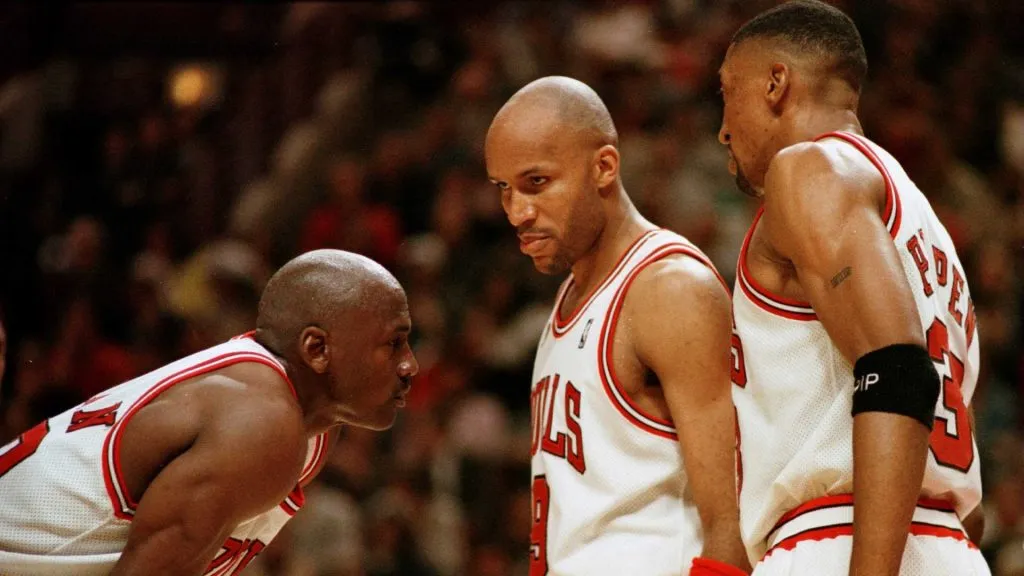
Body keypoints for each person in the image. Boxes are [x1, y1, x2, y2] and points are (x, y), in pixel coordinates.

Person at [717, 1, 989, 574]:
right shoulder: (926, 227)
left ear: (775, 83)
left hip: (842, 541)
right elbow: (960, 475)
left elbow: (897, 370)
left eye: (727, 93)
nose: (722, 128)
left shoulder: (806, 170)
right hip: (945, 543)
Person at [0, 249, 419, 576]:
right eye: (394, 343)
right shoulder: (261, 423)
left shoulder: (313, 421)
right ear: (317, 349)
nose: (410, 366)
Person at [485, 76, 750, 576]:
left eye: (536, 182)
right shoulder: (570, 296)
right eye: (504, 189)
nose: (517, 212)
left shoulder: (668, 290)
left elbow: (734, 516)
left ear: (604, 166)